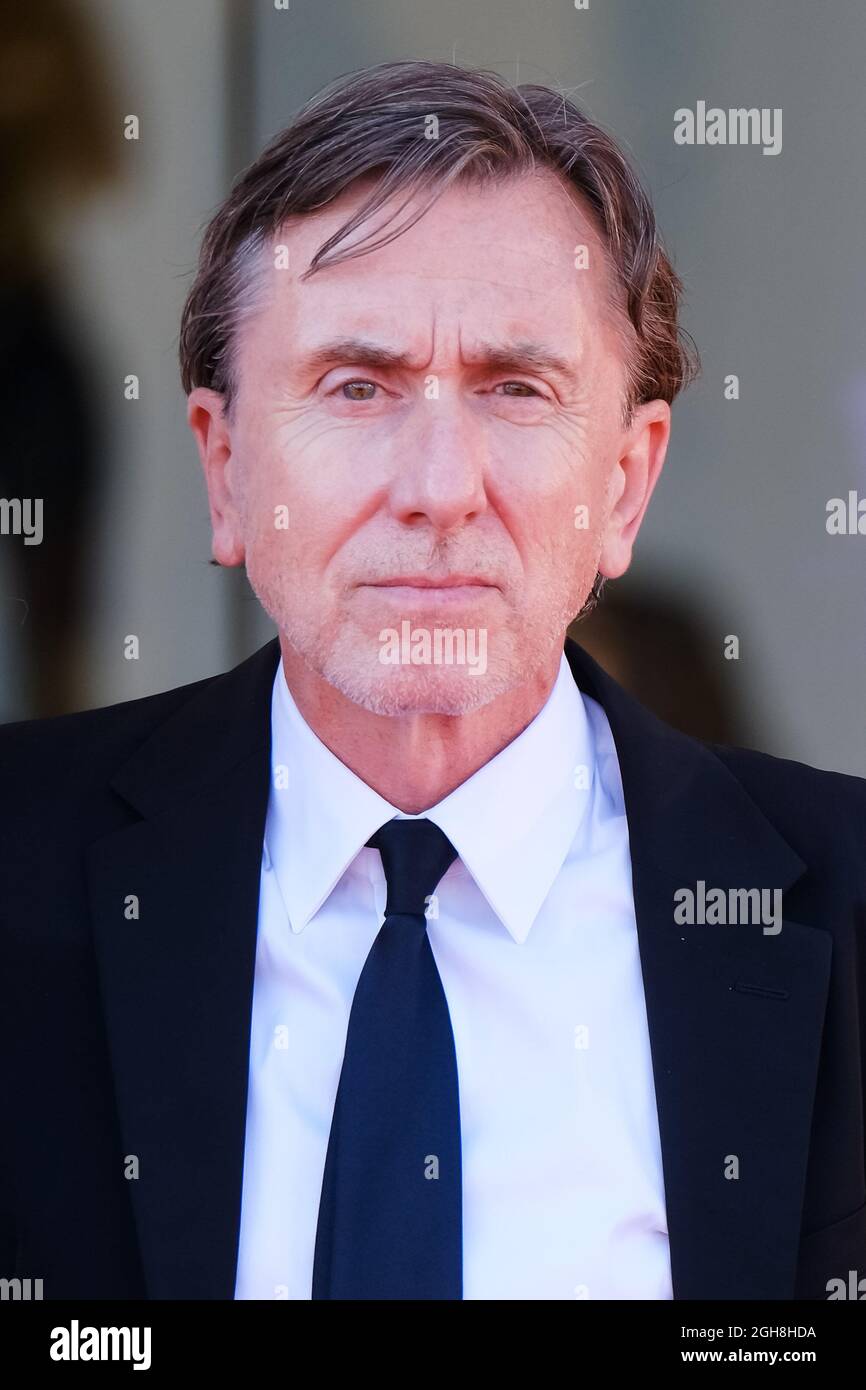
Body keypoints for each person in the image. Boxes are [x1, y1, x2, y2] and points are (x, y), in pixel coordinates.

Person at [1, 59, 864, 1302]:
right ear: (226, 465)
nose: (439, 486)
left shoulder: (834, 909)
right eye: (357, 387)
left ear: (623, 485)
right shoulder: (20, 857)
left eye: (516, 390)